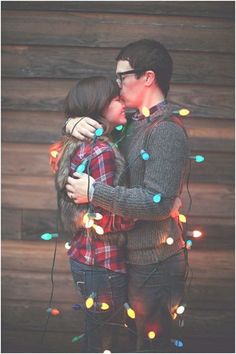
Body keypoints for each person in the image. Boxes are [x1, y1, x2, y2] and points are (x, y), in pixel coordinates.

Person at [64, 39, 189, 352]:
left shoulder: (166, 130)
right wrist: (73, 122)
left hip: (156, 262)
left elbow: (156, 203)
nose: (117, 85)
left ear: (147, 77)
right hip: (130, 259)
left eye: (121, 77)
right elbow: (98, 121)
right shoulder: (133, 123)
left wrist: (94, 191)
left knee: (151, 346)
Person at [50, 76, 136, 353]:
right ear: (99, 106)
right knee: (103, 342)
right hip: (103, 264)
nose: (124, 103)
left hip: (84, 259)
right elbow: (102, 218)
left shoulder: (74, 143)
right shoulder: (101, 151)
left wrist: (70, 122)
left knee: (96, 334)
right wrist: (141, 211)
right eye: (117, 99)